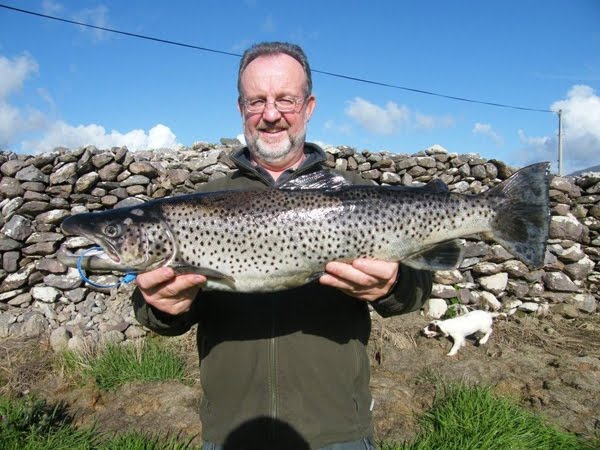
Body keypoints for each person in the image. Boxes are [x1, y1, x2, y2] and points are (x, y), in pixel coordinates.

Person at [132, 42, 432, 450]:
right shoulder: (199, 203)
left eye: (284, 100)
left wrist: (394, 286)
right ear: (241, 110)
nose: (270, 114)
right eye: (257, 101)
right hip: (232, 433)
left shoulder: (357, 193)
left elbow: (418, 288)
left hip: (338, 431)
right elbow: (160, 312)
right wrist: (162, 308)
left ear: (308, 107)